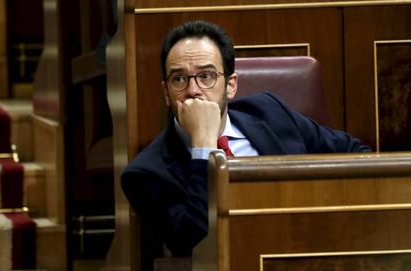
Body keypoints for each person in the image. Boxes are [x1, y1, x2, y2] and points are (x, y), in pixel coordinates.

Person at [121, 20, 371, 268]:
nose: (193, 90)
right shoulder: (145, 173)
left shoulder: (270, 112)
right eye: (179, 79)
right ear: (167, 93)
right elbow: (194, 245)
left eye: (206, 76)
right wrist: (203, 147)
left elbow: (357, 156)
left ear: (231, 85)